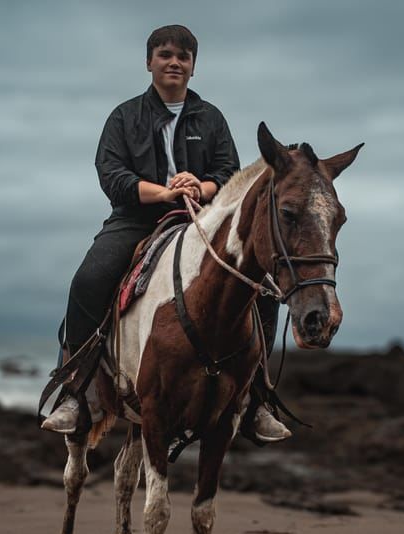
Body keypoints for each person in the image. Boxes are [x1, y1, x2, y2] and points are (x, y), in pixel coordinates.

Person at [42, 25, 290, 443]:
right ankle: (78, 393)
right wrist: (163, 192)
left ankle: (256, 401)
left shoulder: (211, 118)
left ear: (194, 67)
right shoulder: (124, 117)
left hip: (203, 220)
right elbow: (111, 174)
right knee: (88, 280)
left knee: (261, 285)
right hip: (136, 218)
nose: (174, 62)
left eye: (183, 57)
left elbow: (228, 171)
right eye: (165, 55)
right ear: (149, 62)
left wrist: (202, 186)